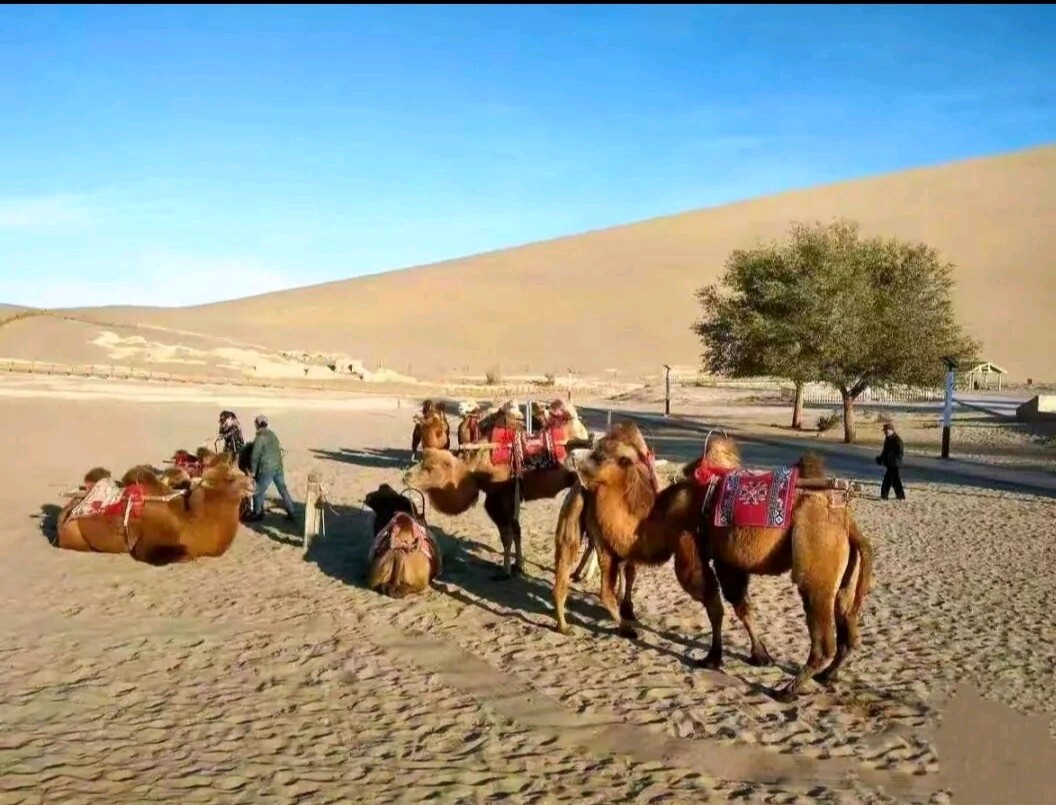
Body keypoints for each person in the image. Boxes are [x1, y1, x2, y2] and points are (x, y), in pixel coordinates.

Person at [247, 415, 296, 522]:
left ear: (257, 424)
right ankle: (291, 511)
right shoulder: (272, 434)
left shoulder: (260, 438)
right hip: (278, 466)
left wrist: (253, 471)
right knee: (282, 489)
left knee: (258, 491)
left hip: (267, 468)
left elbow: (255, 456)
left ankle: (257, 514)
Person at [875, 423, 906, 500]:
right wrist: (881, 458)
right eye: (884, 431)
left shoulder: (897, 440)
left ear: (891, 430)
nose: (885, 432)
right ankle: (900, 496)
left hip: (895, 463)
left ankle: (884, 496)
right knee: (895, 480)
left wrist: (891, 458)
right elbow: (885, 451)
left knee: (887, 480)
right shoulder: (887, 439)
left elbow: (900, 453)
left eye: (886, 431)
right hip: (889, 463)